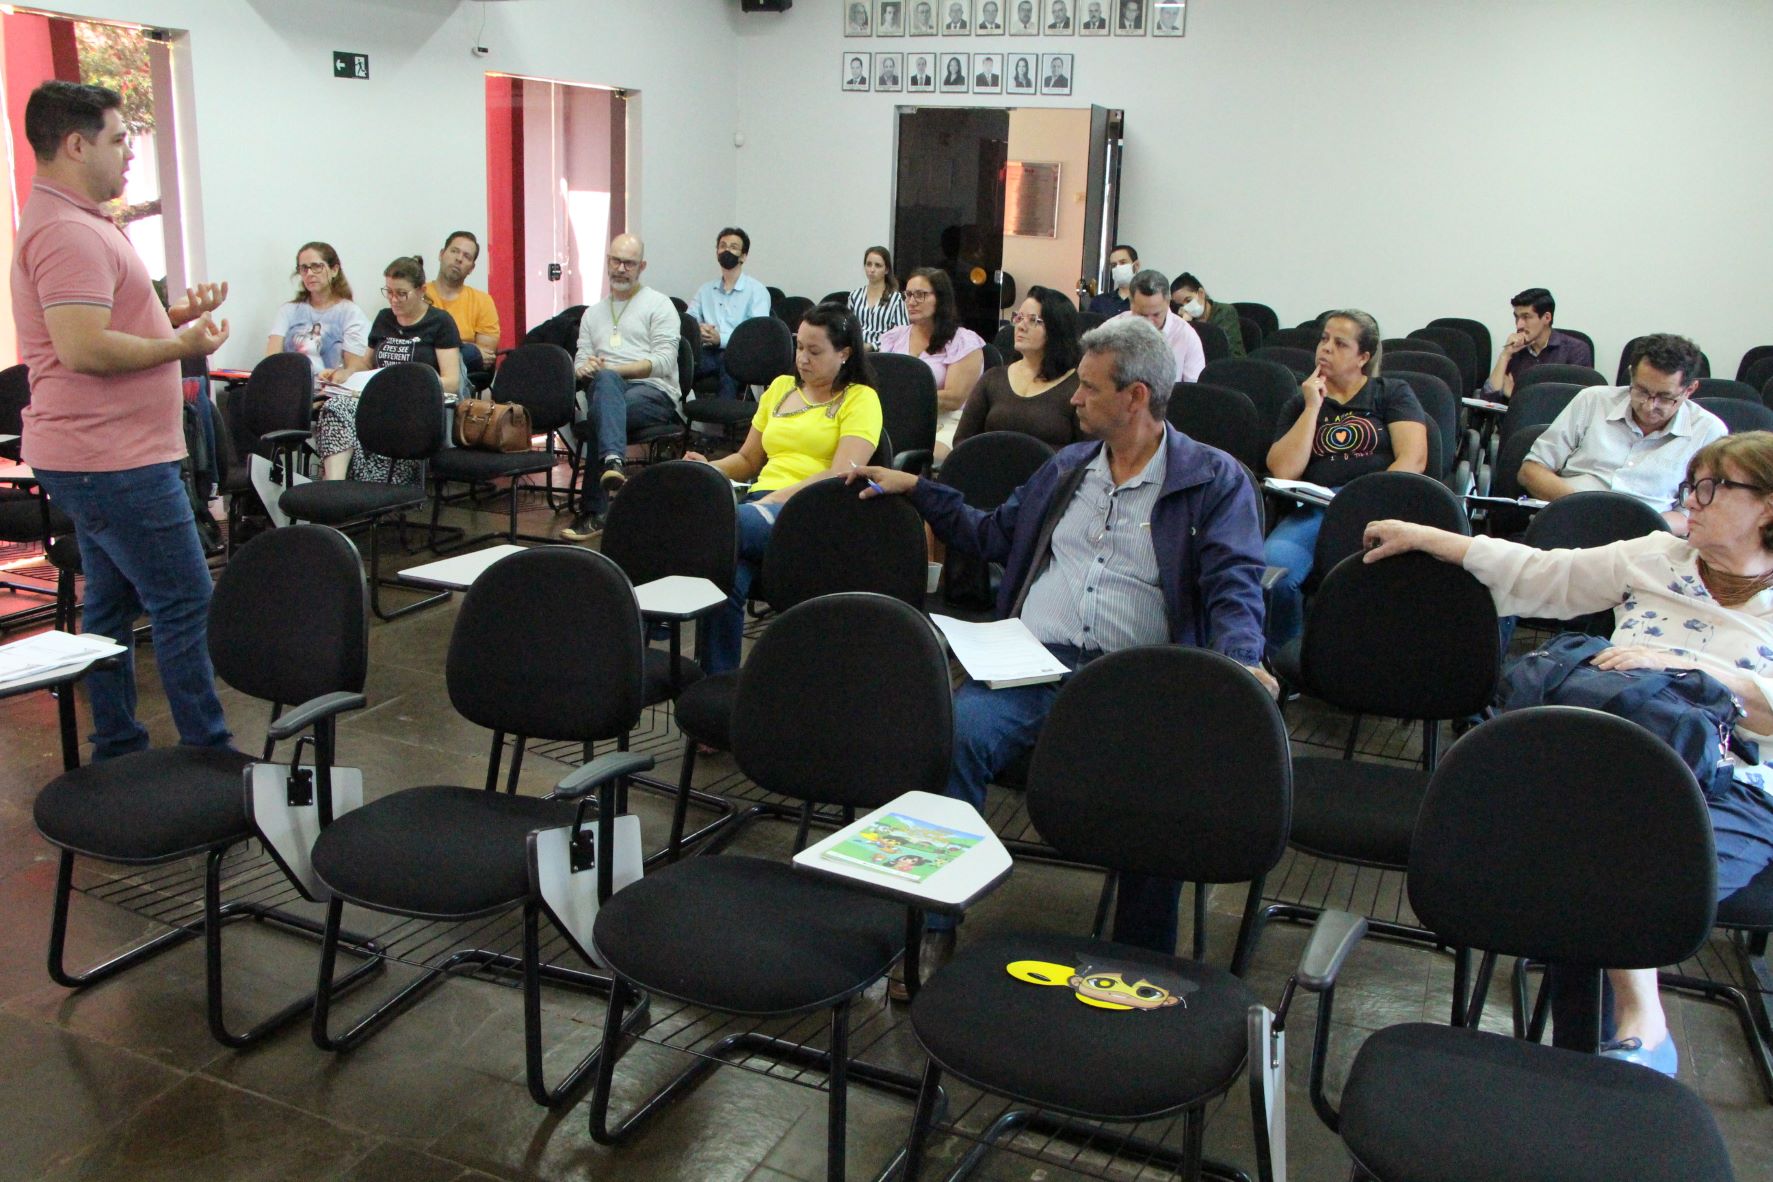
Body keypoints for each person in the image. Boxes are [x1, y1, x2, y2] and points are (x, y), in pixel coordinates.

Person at [851, 317, 1270, 980]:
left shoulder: (1211, 480)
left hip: (1133, 680)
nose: (1072, 398)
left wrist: (1242, 658)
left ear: (1135, 397)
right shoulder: (1067, 468)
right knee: (954, 734)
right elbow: (992, 535)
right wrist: (920, 491)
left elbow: (1233, 585)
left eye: (1088, 387)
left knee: (1152, 785)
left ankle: (1139, 961)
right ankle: (932, 925)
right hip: (1031, 661)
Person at [1361, 430, 1773, 1077]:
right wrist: (1426, 535)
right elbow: (1539, 576)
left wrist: (1687, 666)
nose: (1689, 500)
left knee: (1604, 873)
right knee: (1574, 859)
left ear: (1767, 506)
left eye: (1711, 488)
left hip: (1733, 786)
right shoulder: (1659, 555)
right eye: (1691, 483)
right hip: (1610, 765)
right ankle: (1595, 1057)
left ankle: (1626, 1032)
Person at [12, 80, 233, 760]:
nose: (129, 157)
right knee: (183, 600)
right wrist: (182, 347)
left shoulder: (75, 222)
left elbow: (99, 330)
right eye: (117, 140)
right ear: (75, 145)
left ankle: (117, 742)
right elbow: (82, 349)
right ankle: (208, 751)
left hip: (100, 452)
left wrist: (169, 320)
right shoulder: (68, 232)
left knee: (109, 604)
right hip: (112, 458)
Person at [687, 305, 882, 675]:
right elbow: (746, 459)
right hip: (758, 506)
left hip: (814, 511)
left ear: (844, 354)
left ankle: (655, 616)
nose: (803, 359)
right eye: (799, 347)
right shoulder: (780, 388)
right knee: (728, 577)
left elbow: (842, 473)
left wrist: (779, 497)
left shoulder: (861, 399)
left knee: (718, 528)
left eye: (815, 351)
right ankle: (719, 688)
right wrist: (706, 469)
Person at [1262, 309, 1428, 646]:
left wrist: (1363, 503)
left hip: (1378, 506)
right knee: (1272, 573)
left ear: (1363, 357)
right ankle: (1285, 666)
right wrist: (1312, 408)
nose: (1325, 349)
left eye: (1339, 344)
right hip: (1317, 507)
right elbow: (1283, 470)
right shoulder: (1301, 401)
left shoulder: (1391, 393)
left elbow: (1414, 459)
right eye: (1323, 339)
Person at [1521, 333, 1724, 535]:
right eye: (1642, 391)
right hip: (1570, 521)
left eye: (1664, 397)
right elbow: (1531, 471)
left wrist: (1633, 526)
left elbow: (1694, 514)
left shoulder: (1708, 431)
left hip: (1646, 539)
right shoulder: (1592, 401)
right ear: (1631, 375)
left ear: (1689, 390)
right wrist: (1583, 509)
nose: (1649, 406)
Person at [560, 234, 681, 541]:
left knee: (604, 406)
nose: (621, 269)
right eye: (616, 261)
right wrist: (584, 367)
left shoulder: (659, 304)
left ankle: (595, 512)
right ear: (607, 262)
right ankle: (614, 462)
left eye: (629, 263)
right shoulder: (593, 314)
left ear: (642, 266)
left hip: (653, 393)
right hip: (606, 392)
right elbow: (581, 359)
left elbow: (665, 362)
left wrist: (613, 370)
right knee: (605, 389)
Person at [316, 255, 462, 482]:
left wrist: (405, 384)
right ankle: (334, 485)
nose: (394, 300)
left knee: (352, 419)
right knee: (335, 406)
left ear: (422, 290)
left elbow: (452, 381)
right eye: (389, 292)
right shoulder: (384, 319)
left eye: (401, 293)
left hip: (414, 408)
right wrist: (344, 374)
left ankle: (347, 486)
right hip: (379, 403)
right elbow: (367, 363)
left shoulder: (440, 322)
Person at [880, 267, 987, 460]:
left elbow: (954, 398)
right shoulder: (894, 337)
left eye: (920, 295)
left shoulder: (963, 341)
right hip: (896, 419)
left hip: (947, 423)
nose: (911, 302)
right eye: (909, 294)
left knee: (928, 457)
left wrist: (899, 401)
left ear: (941, 299)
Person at [955, 286, 1081, 451]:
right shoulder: (993, 378)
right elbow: (962, 440)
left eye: (1033, 320)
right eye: (1019, 318)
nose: (1021, 326)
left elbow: (1086, 454)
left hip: (1050, 474)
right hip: (991, 470)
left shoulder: (1078, 387)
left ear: (1057, 328)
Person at [689, 226, 771, 401]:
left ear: (743, 256)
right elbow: (689, 320)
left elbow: (756, 334)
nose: (727, 250)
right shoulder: (705, 290)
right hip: (708, 351)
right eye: (722, 246)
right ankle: (682, 417)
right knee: (682, 363)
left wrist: (721, 339)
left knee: (729, 365)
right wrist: (699, 329)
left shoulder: (756, 291)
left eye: (733, 247)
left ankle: (724, 424)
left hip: (739, 354)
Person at [266, 241, 370, 377]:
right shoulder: (288, 310)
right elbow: (271, 359)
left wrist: (340, 374)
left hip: (329, 389)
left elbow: (354, 366)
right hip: (290, 386)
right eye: (304, 268)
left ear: (334, 270)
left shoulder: (350, 313)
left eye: (316, 266)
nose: (309, 273)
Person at [1481, 287, 1597, 400]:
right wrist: (1505, 355)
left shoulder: (1575, 350)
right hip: (1514, 418)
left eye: (1526, 317)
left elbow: (1572, 402)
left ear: (1547, 317)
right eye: (1516, 317)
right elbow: (1488, 399)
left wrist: (1515, 393)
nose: (1519, 325)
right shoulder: (1515, 348)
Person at [423, 231, 500, 376]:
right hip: (422, 364)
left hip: (464, 370)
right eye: (454, 251)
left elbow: (484, 355)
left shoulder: (482, 300)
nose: (459, 259)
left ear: (471, 268)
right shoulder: (420, 294)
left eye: (467, 256)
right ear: (441, 254)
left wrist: (438, 349)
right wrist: (460, 347)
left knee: (469, 354)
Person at [1111, 269, 1204, 383]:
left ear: (1168, 302)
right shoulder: (1112, 331)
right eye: (1143, 315)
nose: (1150, 322)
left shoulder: (1186, 336)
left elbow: (1194, 391)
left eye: (1156, 314)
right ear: (1131, 303)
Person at [1172, 271, 1246, 357]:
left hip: (1230, 363)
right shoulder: (1184, 319)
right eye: (1181, 305)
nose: (1186, 307)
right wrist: (1185, 324)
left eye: (1188, 300)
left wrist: (1191, 326)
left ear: (1201, 293)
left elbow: (1223, 349)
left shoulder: (1225, 312)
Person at [849, 245, 908, 350]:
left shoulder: (896, 299)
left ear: (886, 270)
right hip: (857, 352)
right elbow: (848, 328)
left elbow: (901, 335)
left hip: (883, 354)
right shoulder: (854, 296)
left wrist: (873, 346)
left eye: (878, 265)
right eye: (868, 264)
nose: (872, 269)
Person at [1088, 243, 1137, 315]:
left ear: (1136, 266)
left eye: (1123, 262)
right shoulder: (1099, 302)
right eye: (1114, 265)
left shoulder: (1146, 300)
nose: (1118, 267)